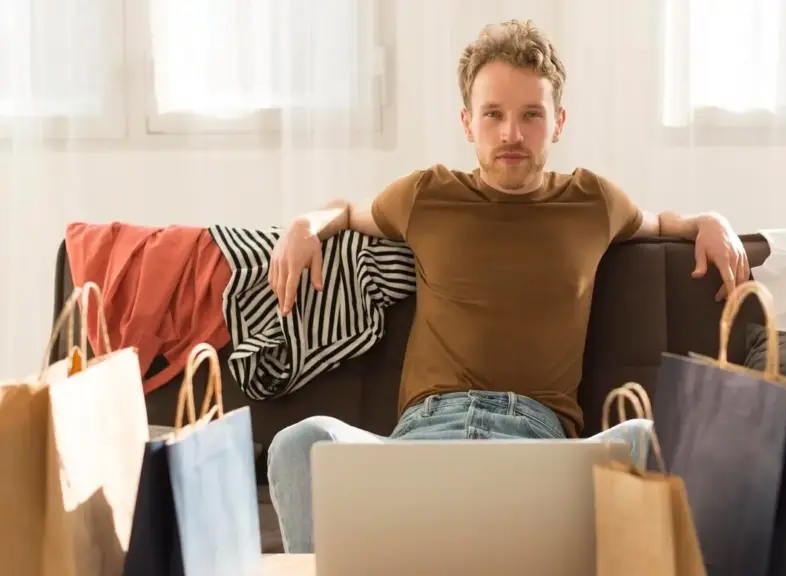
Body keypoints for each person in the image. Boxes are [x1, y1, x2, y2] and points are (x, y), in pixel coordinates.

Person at [265, 19, 750, 553]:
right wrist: (305, 225)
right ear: (468, 123)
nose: (511, 134)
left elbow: (662, 223)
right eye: (493, 114)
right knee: (299, 443)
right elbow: (347, 211)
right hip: (421, 441)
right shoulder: (426, 195)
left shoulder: (594, 201)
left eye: (531, 115)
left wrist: (710, 221)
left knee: (645, 438)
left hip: (538, 446)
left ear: (558, 122)